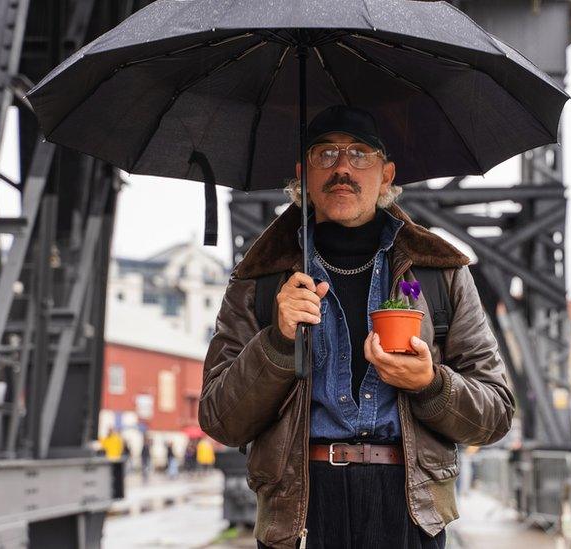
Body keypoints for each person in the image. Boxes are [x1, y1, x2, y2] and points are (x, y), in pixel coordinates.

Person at [200, 105, 514, 549]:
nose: (343, 167)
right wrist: (276, 341)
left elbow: (496, 413)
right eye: (324, 154)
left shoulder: (439, 274)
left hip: (409, 508)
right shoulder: (260, 280)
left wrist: (430, 384)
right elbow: (220, 419)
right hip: (302, 509)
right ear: (302, 175)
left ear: (386, 175)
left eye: (360, 154)